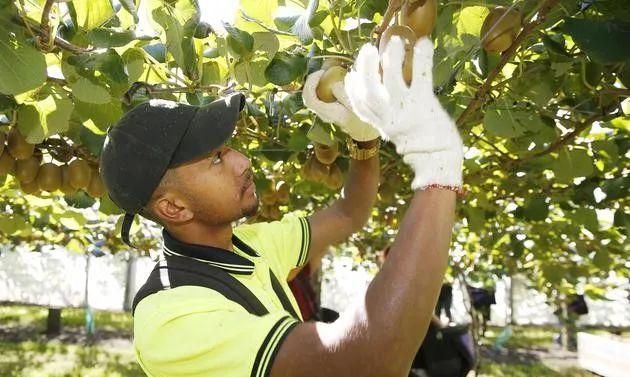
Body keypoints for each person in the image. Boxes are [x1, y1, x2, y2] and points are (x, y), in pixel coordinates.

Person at [99, 33, 464, 377]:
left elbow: (350, 212)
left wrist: (362, 139)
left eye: (228, 148)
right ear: (174, 208)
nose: (242, 161)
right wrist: (437, 170)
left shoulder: (251, 245)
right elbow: (367, 362)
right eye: (215, 158)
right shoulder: (170, 318)